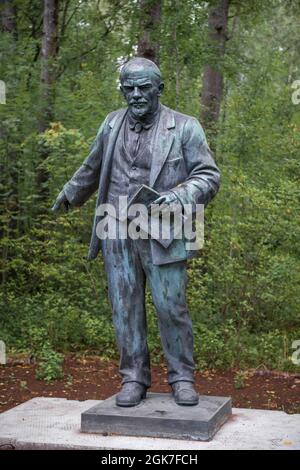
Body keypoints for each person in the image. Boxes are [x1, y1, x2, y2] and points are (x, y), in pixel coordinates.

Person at [52, 57, 220, 407]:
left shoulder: (186, 127)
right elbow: (92, 166)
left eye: (144, 87)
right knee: (124, 307)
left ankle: (182, 377)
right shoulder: (111, 124)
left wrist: (174, 196)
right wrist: (70, 193)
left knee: (171, 306)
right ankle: (133, 378)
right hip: (114, 223)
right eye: (129, 87)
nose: (136, 94)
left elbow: (208, 177)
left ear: (159, 89)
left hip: (168, 226)